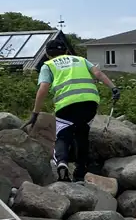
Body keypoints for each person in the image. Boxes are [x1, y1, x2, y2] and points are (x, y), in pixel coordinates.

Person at [24, 40, 119, 182]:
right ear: (67, 51)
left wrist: (35, 113)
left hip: (67, 105)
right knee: (82, 134)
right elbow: (98, 73)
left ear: (48, 54)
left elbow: (43, 88)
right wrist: (114, 88)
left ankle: (62, 163)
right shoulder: (80, 60)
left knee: (63, 136)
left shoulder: (48, 66)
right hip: (89, 103)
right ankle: (80, 172)